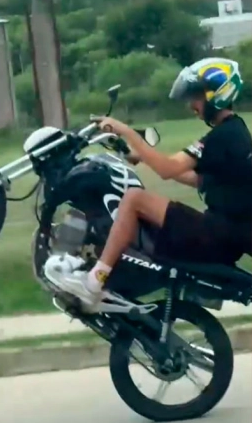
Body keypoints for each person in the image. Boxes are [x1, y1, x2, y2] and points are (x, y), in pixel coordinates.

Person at [47, 57, 252, 313]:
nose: (192, 106)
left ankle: (93, 283)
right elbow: (196, 179)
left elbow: (168, 169)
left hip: (216, 236)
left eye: (196, 97)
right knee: (138, 207)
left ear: (216, 95)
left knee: (134, 198)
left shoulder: (222, 136)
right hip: (225, 236)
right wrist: (142, 156)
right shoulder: (235, 132)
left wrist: (126, 131)